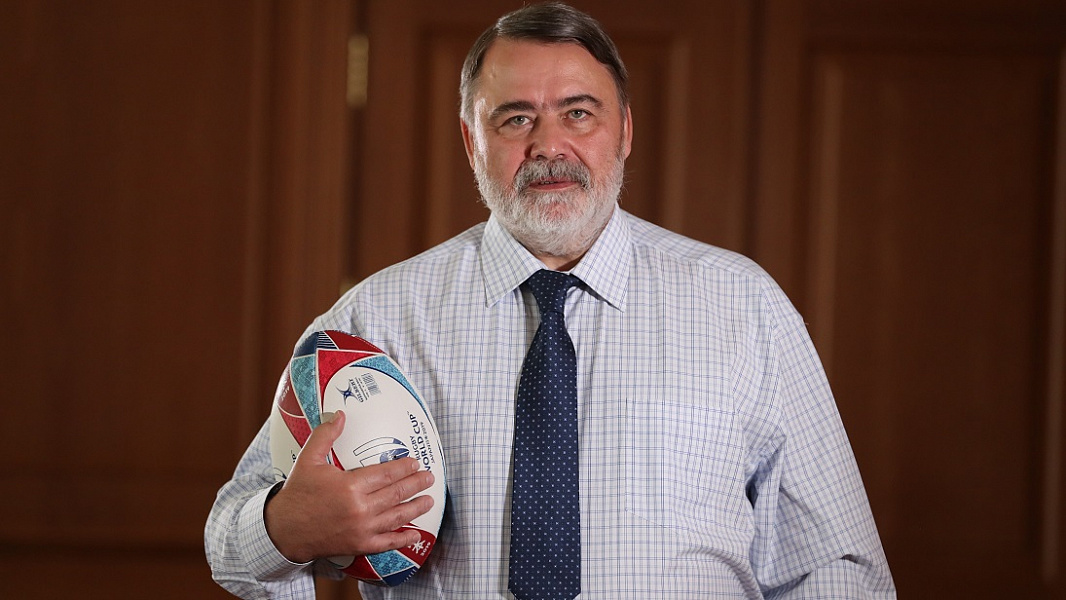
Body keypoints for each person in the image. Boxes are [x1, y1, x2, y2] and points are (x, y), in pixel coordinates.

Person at [205, 2, 896, 598]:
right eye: (515, 119)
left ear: (625, 131)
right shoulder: (374, 321)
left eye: (578, 113)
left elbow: (838, 566)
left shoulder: (744, 308)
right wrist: (283, 528)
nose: (549, 146)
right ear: (471, 141)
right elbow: (227, 542)